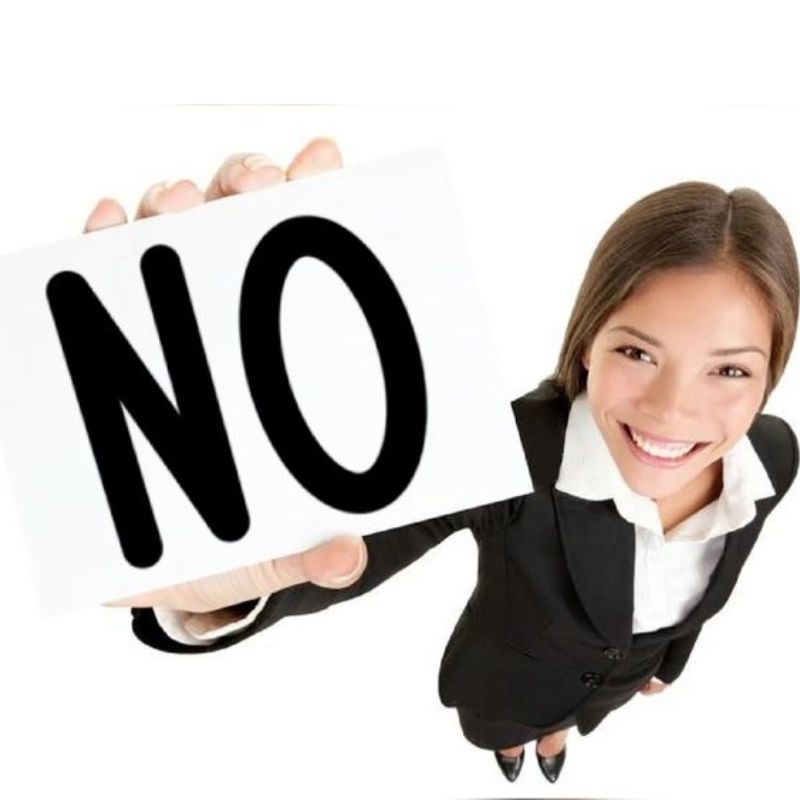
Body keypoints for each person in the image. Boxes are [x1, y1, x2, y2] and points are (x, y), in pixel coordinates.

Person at [96, 138, 799, 785]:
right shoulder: (512, 447)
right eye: (638, 352)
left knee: (568, 718)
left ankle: (558, 729)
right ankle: (515, 743)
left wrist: (668, 661)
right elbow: (365, 542)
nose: (673, 411)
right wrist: (216, 572)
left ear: (770, 376)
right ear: (589, 342)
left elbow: (702, 581)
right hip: (503, 689)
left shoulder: (772, 454)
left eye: (729, 371)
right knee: (508, 728)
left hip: (613, 689)